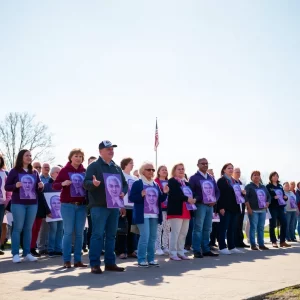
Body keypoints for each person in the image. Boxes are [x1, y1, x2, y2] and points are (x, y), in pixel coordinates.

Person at [84, 140, 127, 274]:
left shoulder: (116, 167)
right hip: (99, 206)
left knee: (111, 235)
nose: (111, 151)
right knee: (97, 235)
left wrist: (123, 192)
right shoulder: (94, 166)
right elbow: (85, 183)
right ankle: (95, 264)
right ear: (100, 151)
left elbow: (124, 184)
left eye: (112, 149)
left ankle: (110, 263)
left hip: (114, 206)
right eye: (108, 149)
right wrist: (93, 184)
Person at [5, 149, 44, 263]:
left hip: (32, 203)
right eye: (27, 155)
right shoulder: (14, 171)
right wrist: (15, 186)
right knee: (18, 228)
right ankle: (15, 254)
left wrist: (41, 186)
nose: (29, 157)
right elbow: (7, 187)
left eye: (30, 155)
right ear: (21, 157)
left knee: (28, 229)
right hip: (18, 203)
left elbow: (38, 188)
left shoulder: (34, 172)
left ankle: (27, 253)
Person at [53, 148, 87, 268]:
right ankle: (66, 260)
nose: (78, 158)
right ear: (71, 157)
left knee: (79, 233)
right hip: (67, 205)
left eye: (80, 156)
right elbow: (55, 185)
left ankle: (78, 260)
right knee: (68, 232)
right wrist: (62, 184)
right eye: (76, 156)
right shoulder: (64, 171)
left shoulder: (85, 172)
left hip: (82, 206)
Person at [129, 162, 168, 267]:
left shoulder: (155, 184)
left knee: (152, 237)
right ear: (142, 171)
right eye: (148, 169)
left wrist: (164, 193)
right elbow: (131, 198)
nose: (151, 172)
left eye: (152, 170)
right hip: (143, 215)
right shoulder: (138, 183)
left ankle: (151, 259)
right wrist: (140, 195)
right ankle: (141, 259)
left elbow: (160, 199)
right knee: (145, 236)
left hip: (154, 214)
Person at [189, 158, 220, 258]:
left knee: (207, 228)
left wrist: (215, 200)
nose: (205, 165)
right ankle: (196, 250)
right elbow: (191, 192)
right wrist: (201, 199)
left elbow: (217, 191)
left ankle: (206, 249)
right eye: (203, 163)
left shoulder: (211, 178)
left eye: (207, 163)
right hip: (200, 205)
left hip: (210, 206)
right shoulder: (194, 178)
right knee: (198, 228)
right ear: (198, 165)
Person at [167, 163, 195, 261]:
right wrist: (187, 198)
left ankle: (180, 252)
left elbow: (192, 194)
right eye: (179, 169)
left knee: (183, 233)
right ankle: (173, 253)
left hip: (186, 211)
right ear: (174, 171)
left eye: (183, 169)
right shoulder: (171, 181)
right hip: (176, 211)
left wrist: (193, 199)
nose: (181, 171)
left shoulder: (186, 183)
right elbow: (175, 194)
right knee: (175, 233)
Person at [217, 163, 243, 255]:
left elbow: (237, 194)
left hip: (234, 207)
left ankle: (232, 246)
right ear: (224, 170)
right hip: (225, 208)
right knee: (223, 227)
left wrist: (242, 193)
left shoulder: (235, 181)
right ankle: (222, 247)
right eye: (229, 168)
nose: (231, 170)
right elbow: (218, 195)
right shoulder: (221, 181)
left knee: (232, 228)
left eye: (232, 168)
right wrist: (220, 207)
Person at [116, 157, 138, 259]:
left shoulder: (135, 178)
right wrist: (120, 205)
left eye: (133, 163)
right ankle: (121, 251)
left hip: (133, 207)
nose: (132, 165)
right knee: (122, 230)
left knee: (132, 230)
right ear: (125, 164)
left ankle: (131, 250)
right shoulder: (120, 175)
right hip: (123, 206)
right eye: (130, 163)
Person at [245, 171, 271, 250]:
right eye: (254, 175)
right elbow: (246, 198)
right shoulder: (249, 186)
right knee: (253, 227)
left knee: (261, 227)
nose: (256, 176)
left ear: (260, 177)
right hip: (253, 210)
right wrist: (249, 208)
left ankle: (261, 244)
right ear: (251, 177)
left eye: (258, 175)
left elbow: (269, 197)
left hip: (263, 210)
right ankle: (253, 244)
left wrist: (268, 203)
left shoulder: (263, 187)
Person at [266, 172, 291, 248]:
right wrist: (273, 198)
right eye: (274, 176)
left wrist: (285, 197)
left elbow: (283, 195)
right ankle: (274, 241)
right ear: (271, 177)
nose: (275, 177)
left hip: (281, 207)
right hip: (273, 208)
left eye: (277, 176)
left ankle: (282, 241)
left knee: (284, 223)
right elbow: (267, 197)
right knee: (273, 224)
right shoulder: (268, 186)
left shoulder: (280, 186)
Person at [44, 166, 63, 257]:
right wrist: (47, 211)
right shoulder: (47, 186)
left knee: (60, 230)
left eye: (60, 172)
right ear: (51, 174)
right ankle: (51, 249)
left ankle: (58, 249)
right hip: (51, 213)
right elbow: (44, 199)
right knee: (53, 229)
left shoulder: (63, 185)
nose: (59, 174)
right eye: (57, 172)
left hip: (62, 212)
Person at [154, 165, 171, 256]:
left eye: (166, 169)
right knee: (159, 228)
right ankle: (158, 247)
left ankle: (165, 246)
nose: (164, 171)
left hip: (169, 208)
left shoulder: (170, 182)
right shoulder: (155, 182)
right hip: (159, 207)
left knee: (167, 228)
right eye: (162, 170)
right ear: (159, 172)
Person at [232, 168, 249, 248]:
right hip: (234, 205)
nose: (238, 173)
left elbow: (243, 194)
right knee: (234, 224)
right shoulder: (231, 182)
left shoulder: (240, 182)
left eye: (239, 172)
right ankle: (234, 241)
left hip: (241, 205)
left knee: (240, 223)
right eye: (237, 172)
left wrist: (244, 193)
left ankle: (240, 241)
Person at [0, 154, 9, 255]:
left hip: (1, 203)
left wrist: (7, 200)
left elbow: (8, 190)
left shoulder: (4, 173)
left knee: (2, 226)